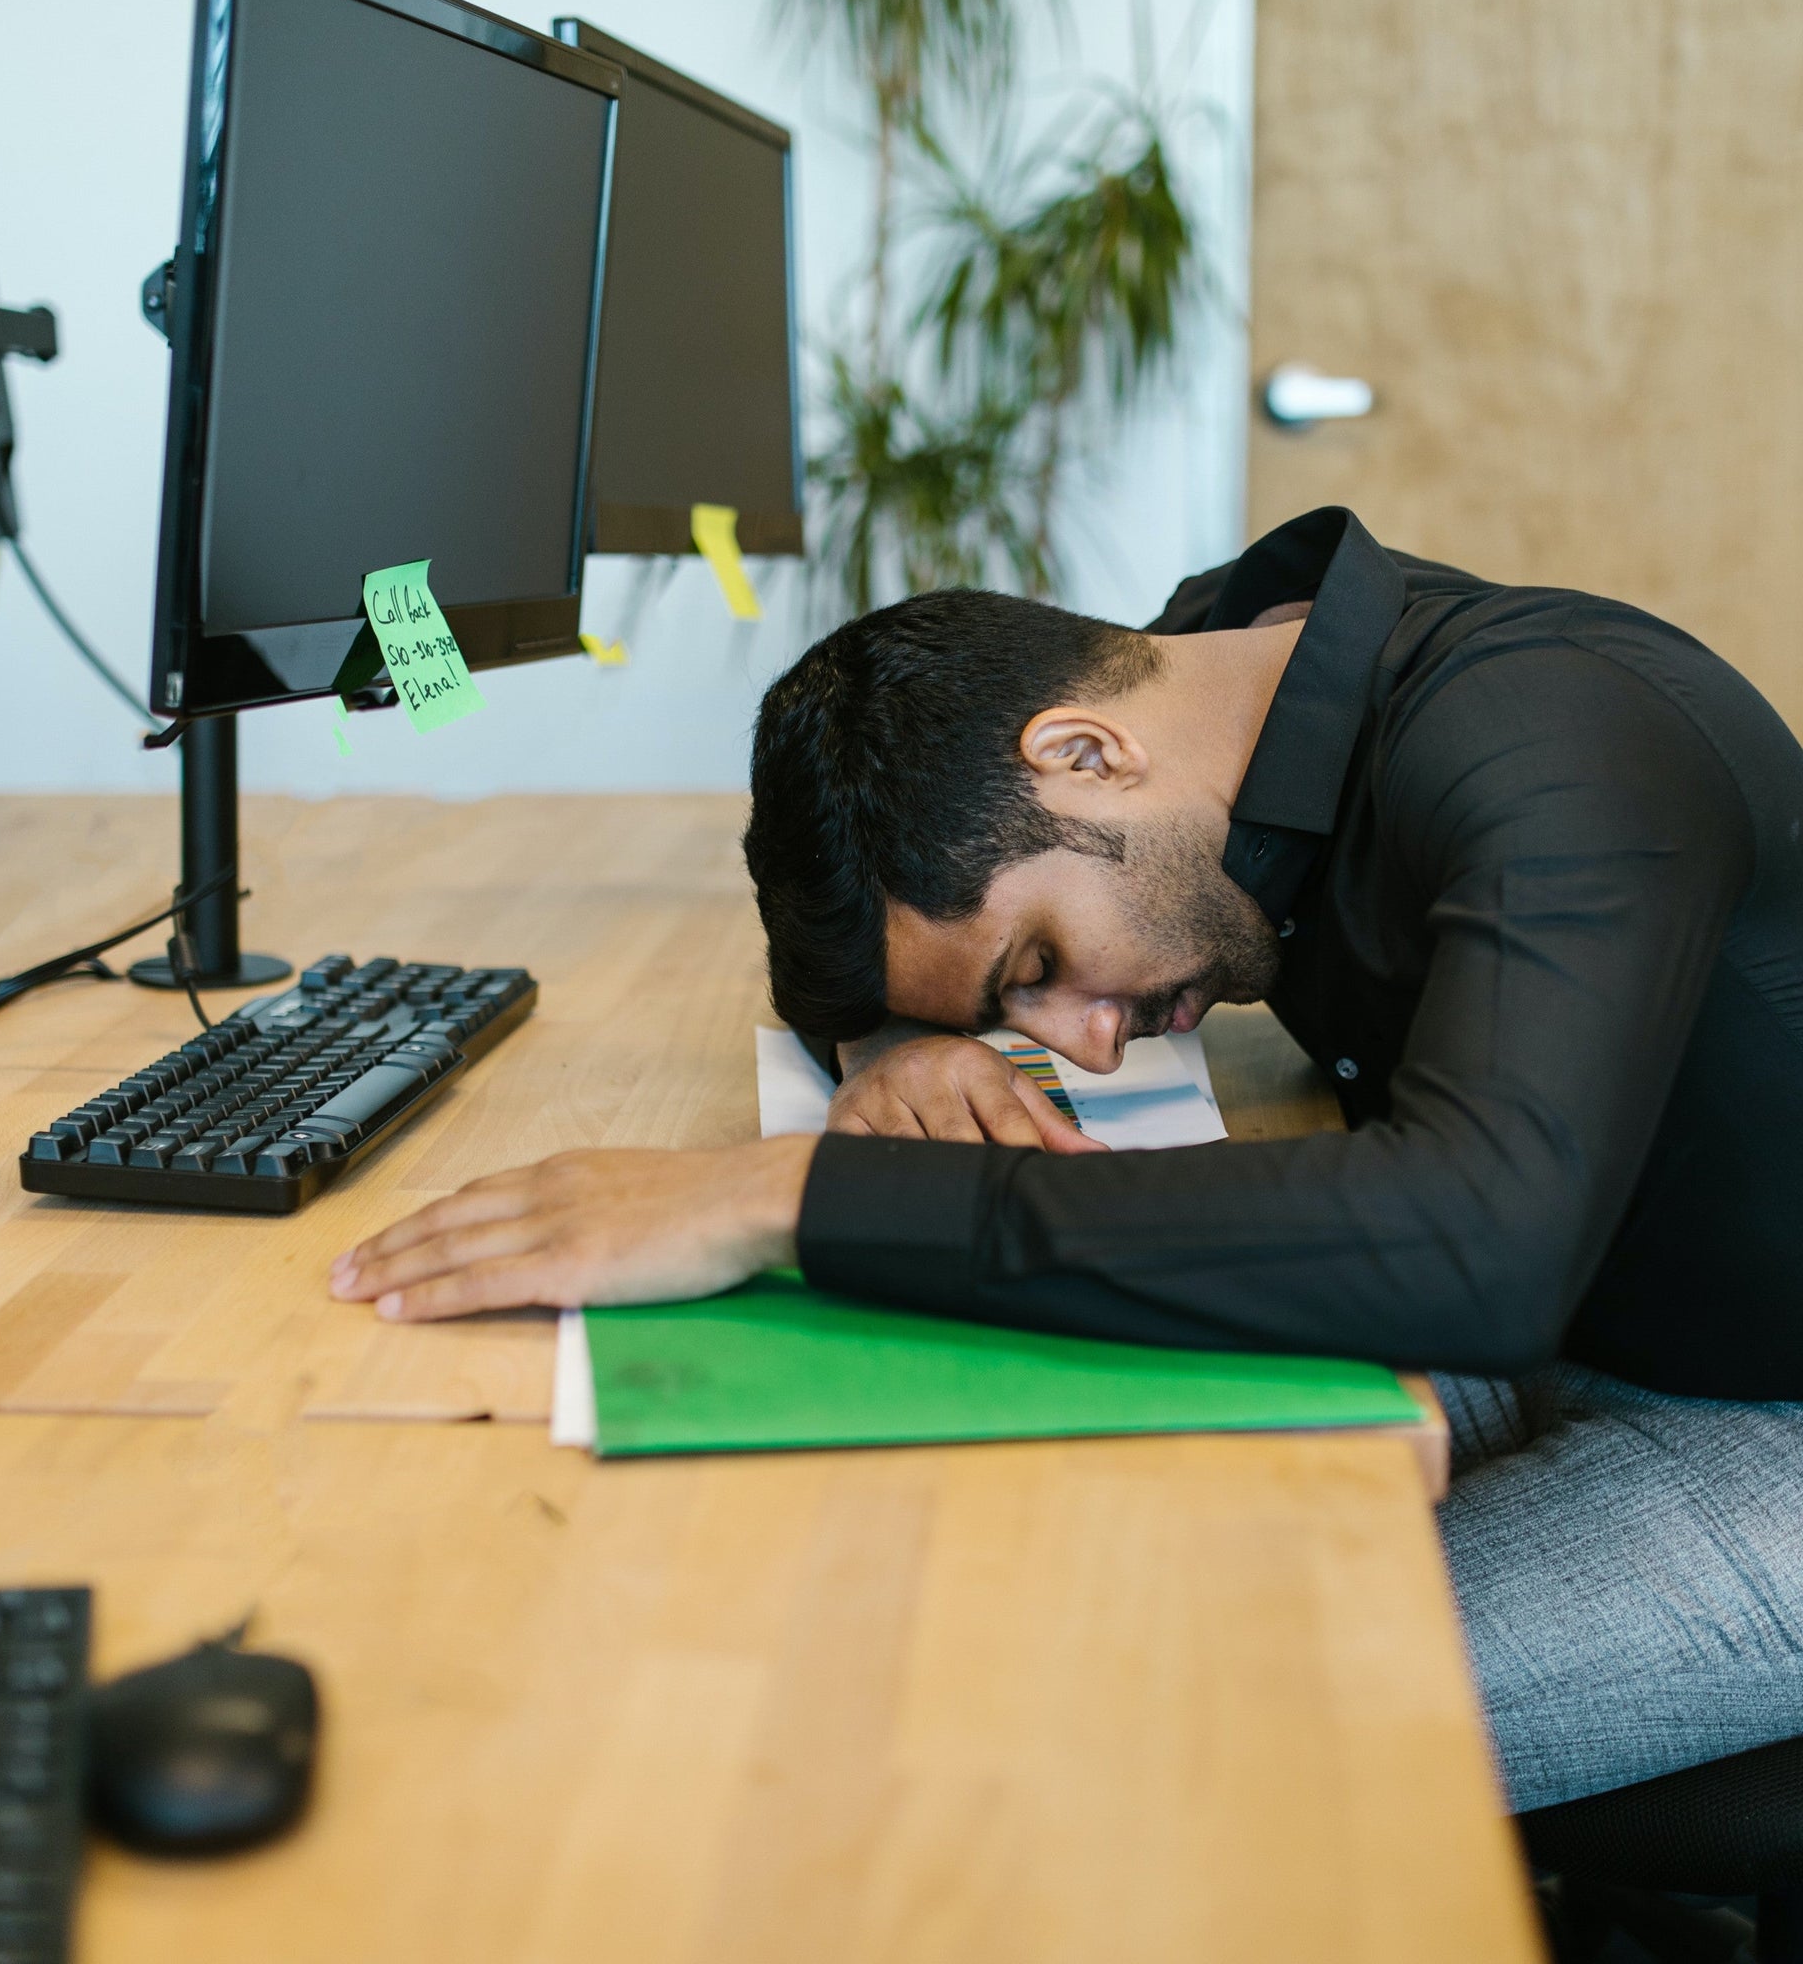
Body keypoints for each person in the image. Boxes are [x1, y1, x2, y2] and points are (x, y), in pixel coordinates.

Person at [327, 505, 1803, 1813]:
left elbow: (1483, 1244)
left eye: (1039, 961)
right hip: (1602, 1282)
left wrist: (794, 1196)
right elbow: (871, 906)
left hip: (1755, 1403)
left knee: (1141, 1742)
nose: (1087, 1046)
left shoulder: (1556, 739)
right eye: (1022, 999)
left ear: (1087, 755)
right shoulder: (1211, 671)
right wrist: (898, 1043)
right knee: (1003, 1588)